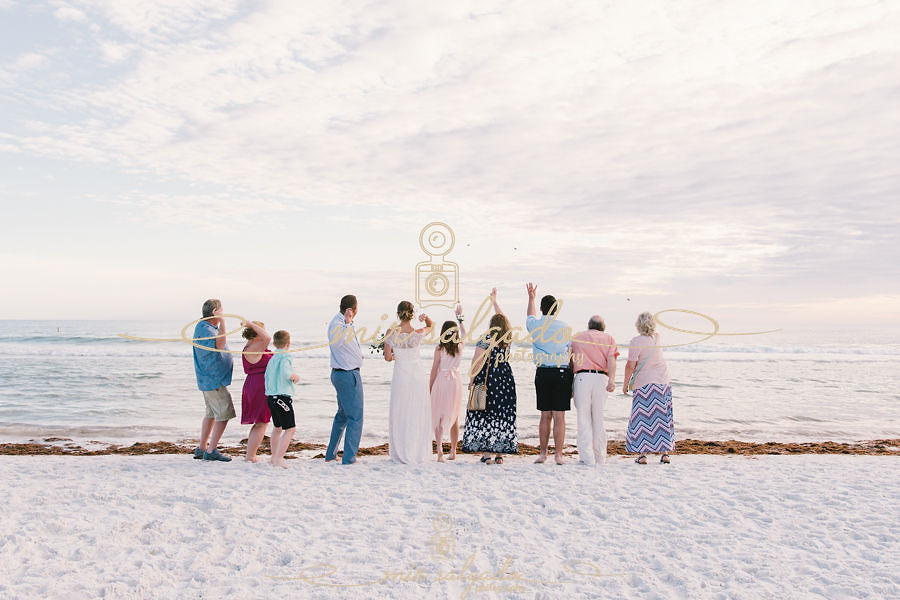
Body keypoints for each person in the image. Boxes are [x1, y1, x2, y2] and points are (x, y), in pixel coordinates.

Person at [462, 288, 518, 464]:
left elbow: (477, 360)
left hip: (488, 379)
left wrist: (471, 381)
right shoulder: (508, 337)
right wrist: (495, 302)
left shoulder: (486, 337)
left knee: (486, 413)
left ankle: (487, 454)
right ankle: (500, 455)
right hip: (505, 378)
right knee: (501, 414)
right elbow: (503, 318)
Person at [525, 283, 573, 465]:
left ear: (541, 309)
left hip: (543, 372)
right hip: (561, 372)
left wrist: (531, 297)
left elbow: (530, 315)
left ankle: (543, 453)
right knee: (559, 415)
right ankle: (558, 455)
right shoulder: (565, 327)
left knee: (545, 414)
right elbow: (570, 353)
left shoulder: (535, 325)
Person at [384, 301, 434, 464]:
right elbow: (430, 325)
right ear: (412, 314)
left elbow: (387, 358)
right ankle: (417, 451)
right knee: (417, 412)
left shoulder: (391, 332)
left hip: (401, 374)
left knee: (401, 411)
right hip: (417, 374)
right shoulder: (417, 332)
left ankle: (401, 450)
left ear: (398, 313)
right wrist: (425, 318)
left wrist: (398, 356)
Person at [622, 312, 674, 464]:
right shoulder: (657, 337)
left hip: (644, 383)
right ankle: (665, 454)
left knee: (642, 418)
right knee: (662, 417)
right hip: (663, 381)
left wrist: (625, 385)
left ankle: (643, 455)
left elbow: (630, 365)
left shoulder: (636, 341)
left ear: (638, 325)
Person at [569, 315, 618, 465]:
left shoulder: (577, 338)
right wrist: (611, 380)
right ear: (603, 327)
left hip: (582, 377)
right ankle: (600, 456)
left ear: (589, 325)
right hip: (601, 378)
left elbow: (570, 361)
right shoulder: (609, 339)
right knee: (598, 418)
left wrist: (570, 384)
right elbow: (611, 360)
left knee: (583, 418)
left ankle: (587, 457)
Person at [191, 298, 235, 462]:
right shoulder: (207, 329)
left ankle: (202, 448)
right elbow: (220, 344)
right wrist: (223, 321)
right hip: (213, 380)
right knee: (223, 414)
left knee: (210, 414)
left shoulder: (204, 326)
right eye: (221, 310)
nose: (224, 312)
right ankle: (211, 451)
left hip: (209, 380)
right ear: (215, 312)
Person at [325, 294, 364, 465]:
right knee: (356, 416)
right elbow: (339, 342)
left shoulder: (342, 323)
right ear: (351, 309)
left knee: (342, 415)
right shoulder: (339, 323)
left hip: (345, 372)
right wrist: (348, 322)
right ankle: (349, 457)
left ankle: (331, 454)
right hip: (347, 374)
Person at [429, 304, 466, 462]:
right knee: (454, 416)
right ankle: (453, 451)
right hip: (455, 382)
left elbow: (434, 369)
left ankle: (439, 451)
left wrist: (429, 387)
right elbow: (465, 332)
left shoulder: (439, 348)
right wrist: (460, 317)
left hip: (442, 381)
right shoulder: (459, 346)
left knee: (437, 416)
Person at [265, 330, 300, 469]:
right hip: (281, 398)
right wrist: (294, 376)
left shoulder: (273, 358)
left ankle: (274, 457)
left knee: (277, 427)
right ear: (288, 343)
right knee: (290, 429)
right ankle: (279, 458)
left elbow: (267, 377)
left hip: (271, 397)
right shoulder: (285, 356)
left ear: (274, 343)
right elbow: (286, 372)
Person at [240, 320, 272, 463]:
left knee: (259, 422)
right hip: (259, 387)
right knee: (262, 422)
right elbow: (268, 337)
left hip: (256, 385)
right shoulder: (255, 346)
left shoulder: (253, 346)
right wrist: (252, 325)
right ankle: (251, 456)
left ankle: (250, 454)